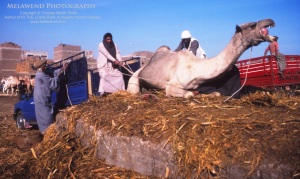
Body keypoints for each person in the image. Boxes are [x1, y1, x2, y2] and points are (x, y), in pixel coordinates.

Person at [175, 30, 241, 99]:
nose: (185, 41)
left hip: (200, 60)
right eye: (184, 40)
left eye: (186, 40)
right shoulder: (183, 42)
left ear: (189, 38)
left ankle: (198, 89)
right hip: (192, 62)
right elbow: (177, 50)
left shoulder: (194, 42)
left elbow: (191, 54)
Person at [33, 60, 66, 134]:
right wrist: (58, 76)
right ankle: (47, 133)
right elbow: (51, 83)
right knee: (46, 116)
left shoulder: (40, 73)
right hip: (42, 99)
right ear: (42, 67)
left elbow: (52, 73)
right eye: (45, 66)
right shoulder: (41, 75)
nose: (46, 67)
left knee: (43, 115)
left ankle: (45, 132)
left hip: (40, 98)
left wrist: (61, 69)